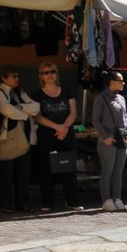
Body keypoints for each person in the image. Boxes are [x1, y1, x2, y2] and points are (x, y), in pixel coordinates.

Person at [30, 62, 81, 211]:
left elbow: (73, 112)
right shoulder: (37, 94)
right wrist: (56, 127)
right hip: (47, 135)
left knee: (69, 168)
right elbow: (37, 116)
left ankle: (72, 201)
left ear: (57, 74)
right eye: (45, 72)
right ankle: (47, 202)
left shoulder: (66, 91)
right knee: (45, 169)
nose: (49, 75)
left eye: (52, 71)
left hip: (66, 134)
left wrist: (64, 127)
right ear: (41, 76)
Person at [0, 66, 38, 213]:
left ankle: (22, 203)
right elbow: (7, 111)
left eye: (17, 76)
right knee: (6, 174)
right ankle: (6, 204)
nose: (16, 78)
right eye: (13, 76)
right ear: (3, 78)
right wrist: (25, 113)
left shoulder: (19, 92)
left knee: (23, 173)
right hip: (7, 139)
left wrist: (19, 107)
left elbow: (36, 107)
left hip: (24, 138)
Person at [91, 69, 127, 212]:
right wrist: (105, 136)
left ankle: (117, 197)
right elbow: (95, 120)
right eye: (120, 81)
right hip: (108, 139)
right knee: (107, 170)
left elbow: (126, 118)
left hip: (122, 138)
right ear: (112, 82)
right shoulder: (100, 98)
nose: (123, 83)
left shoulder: (121, 98)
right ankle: (106, 199)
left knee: (118, 171)